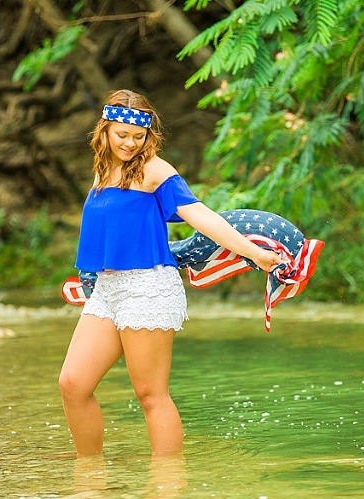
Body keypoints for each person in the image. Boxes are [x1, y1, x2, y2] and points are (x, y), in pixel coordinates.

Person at [58, 89, 283, 458]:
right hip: (107, 288)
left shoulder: (154, 170)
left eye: (138, 136)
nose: (130, 144)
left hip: (148, 288)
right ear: (104, 131)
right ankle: (89, 474)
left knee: (150, 394)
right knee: (73, 383)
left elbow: (202, 216)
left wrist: (254, 253)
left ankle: (167, 484)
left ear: (148, 134)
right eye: (121, 135)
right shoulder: (103, 169)